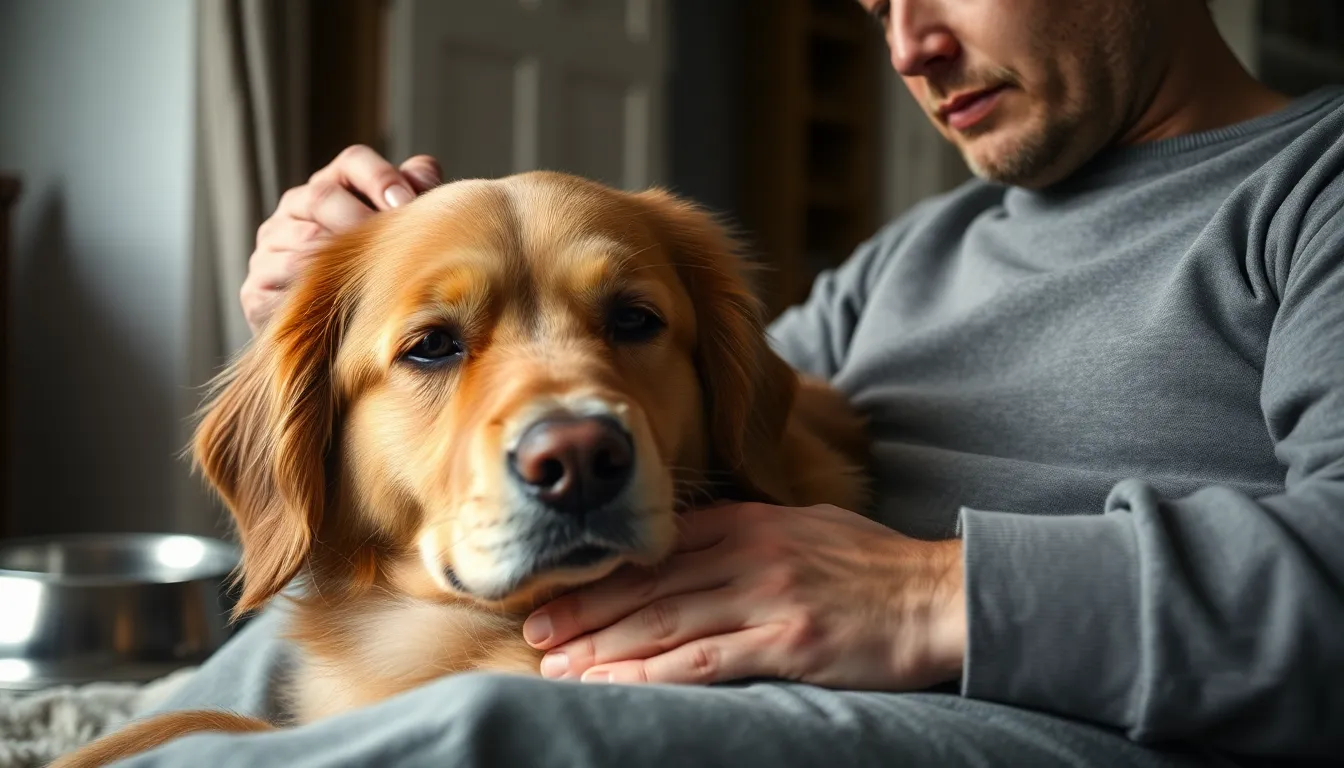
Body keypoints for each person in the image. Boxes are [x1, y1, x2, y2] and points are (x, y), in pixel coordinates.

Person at [126, 0, 1342, 765]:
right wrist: (340, 322)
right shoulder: (912, 259)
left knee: (483, 737)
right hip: (750, 693)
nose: (911, 45)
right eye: (875, 5)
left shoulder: (1312, 189)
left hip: (1051, 717)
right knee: (312, 623)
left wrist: (922, 595)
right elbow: (644, 418)